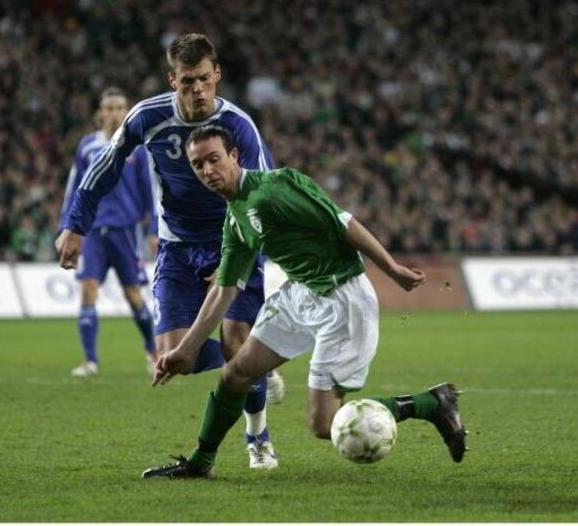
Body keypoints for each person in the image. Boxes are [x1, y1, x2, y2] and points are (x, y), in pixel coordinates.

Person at [141, 125, 467, 479]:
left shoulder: (274, 189)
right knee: (236, 372)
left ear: (234, 156)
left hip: (342, 300)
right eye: (198, 164)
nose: (207, 171)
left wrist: (390, 268)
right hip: (300, 294)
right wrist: (185, 350)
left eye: (214, 159)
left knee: (325, 424)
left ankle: (432, 403)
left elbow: (342, 221)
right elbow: (225, 288)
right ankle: (200, 463)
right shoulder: (235, 218)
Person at [57, 34, 285, 469]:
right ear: (172, 80)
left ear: (217, 74)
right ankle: (262, 360)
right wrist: (74, 224)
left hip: (232, 241)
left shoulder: (240, 127)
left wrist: (235, 257)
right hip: (178, 248)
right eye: (186, 82)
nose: (197, 90)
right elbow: (103, 168)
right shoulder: (148, 117)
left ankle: (259, 437)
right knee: (177, 356)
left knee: (236, 341)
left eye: (203, 79)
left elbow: (263, 199)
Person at [58, 87, 158, 377]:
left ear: (126, 112)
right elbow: (74, 188)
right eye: (110, 108)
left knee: (133, 296)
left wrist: (153, 228)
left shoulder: (137, 148)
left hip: (125, 232)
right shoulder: (87, 146)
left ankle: (153, 350)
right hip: (90, 232)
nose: (115, 113)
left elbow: (149, 190)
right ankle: (90, 361)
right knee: (88, 289)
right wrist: (67, 226)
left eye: (120, 108)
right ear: (100, 113)